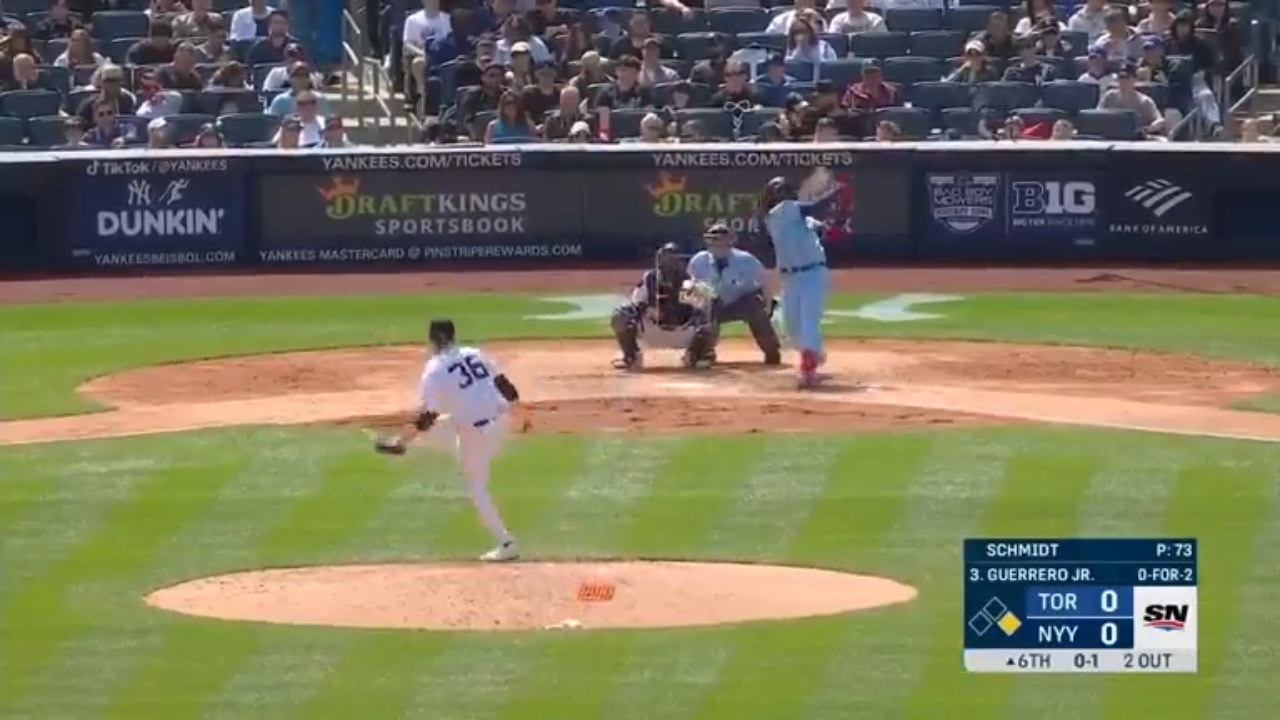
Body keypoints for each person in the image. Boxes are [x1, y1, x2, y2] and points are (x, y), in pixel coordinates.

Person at [373, 319, 521, 563]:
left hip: (476, 433)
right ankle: (403, 442)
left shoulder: (434, 369)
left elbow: (427, 415)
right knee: (448, 424)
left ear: (433, 340)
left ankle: (507, 543)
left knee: (476, 487)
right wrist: (518, 415)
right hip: (500, 419)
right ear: (452, 336)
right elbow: (509, 390)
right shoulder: (474, 353)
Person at [758, 176, 839, 388]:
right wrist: (834, 193)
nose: (779, 193)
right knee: (791, 326)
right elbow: (814, 208)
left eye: (782, 189)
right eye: (775, 189)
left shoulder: (794, 214)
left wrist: (823, 228)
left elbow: (819, 226)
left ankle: (808, 367)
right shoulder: (778, 213)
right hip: (790, 278)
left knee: (809, 320)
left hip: (813, 274)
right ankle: (814, 353)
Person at [610, 243, 718, 371]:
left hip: (682, 333)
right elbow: (636, 302)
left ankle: (695, 355)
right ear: (660, 260)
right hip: (653, 331)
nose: (670, 263)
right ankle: (631, 357)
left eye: (674, 259)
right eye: (667, 259)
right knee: (622, 313)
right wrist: (648, 308)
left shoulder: (691, 281)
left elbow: (705, 308)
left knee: (711, 316)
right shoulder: (650, 278)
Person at [686, 224, 782, 366]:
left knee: (755, 307)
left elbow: (765, 281)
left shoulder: (746, 260)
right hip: (710, 304)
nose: (719, 244)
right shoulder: (698, 261)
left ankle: (771, 350)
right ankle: (700, 351)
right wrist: (699, 306)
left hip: (739, 302)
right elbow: (690, 285)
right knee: (706, 310)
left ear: (731, 241)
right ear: (708, 241)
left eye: (724, 240)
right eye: (715, 240)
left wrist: (767, 305)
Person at [1098, 62, 1166, 139]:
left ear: (1135, 79)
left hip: (1136, 139)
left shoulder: (1144, 101)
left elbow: (1160, 120)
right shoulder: (1109, 97)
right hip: (1111, 137)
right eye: (1121, 77)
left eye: (1126, 78)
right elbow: (1097, 115)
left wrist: (1147, 129)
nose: (1123, 81)